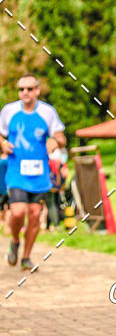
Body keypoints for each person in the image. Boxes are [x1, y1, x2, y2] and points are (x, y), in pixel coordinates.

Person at [0, 74, 66, 270]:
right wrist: (3, 143)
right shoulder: (9, 111)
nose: (25, 92)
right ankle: (15, 240)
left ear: (37, 90)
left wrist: (54, 141)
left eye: (29, 89)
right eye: (21, 89)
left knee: (35, 215)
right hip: (16, 172)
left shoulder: (48, 112)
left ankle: (26, 257)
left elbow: (61, 138)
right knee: (18, 212)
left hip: (39, 174)